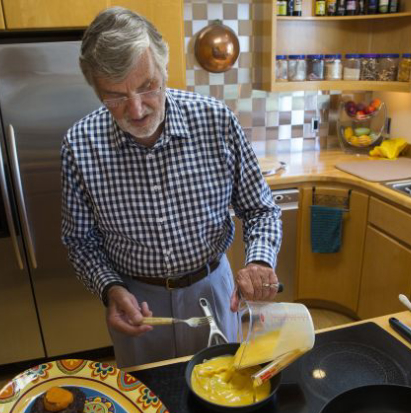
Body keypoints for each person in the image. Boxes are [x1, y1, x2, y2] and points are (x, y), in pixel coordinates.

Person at [61, 7, 282, 368]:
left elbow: (260, 208)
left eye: (147, 86)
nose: (136, 110)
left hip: (213, 288)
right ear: (96, 89)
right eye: (115, 96)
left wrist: (258, 261)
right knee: (148, 400)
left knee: (222, 391)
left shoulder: (215, 121)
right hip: (137, 303)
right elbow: (80, 241)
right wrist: (110, 289)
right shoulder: (79, 144)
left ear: (164, 69)